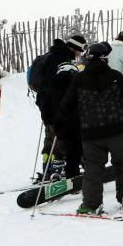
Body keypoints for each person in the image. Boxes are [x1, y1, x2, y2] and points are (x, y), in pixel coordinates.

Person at [59, 43, 123, 215]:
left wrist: (61, 119)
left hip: (91, 133)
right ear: (104, 58)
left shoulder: (79, 79)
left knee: (93, 168)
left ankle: (91, 204)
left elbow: (66, 104)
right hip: (119, 130)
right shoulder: (115, 76)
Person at [34, 35, 87, 178]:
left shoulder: (54, 54)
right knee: (61, 135)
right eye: (80, 50)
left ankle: (49, 166)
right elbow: (56, 84)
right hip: (53, 103)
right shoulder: (61, 58)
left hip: (45, 102)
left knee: (50, 135)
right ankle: (58, 167)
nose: (80, 54)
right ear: (75, 48)